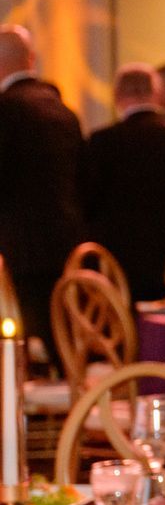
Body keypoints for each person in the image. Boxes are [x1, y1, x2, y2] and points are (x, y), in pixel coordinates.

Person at [82, 65, 165, 301]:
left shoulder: (103, 142)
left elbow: (88, 200)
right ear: (157, 95)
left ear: (117, 97)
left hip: (115, 260)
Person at [0, 25, 85, 344]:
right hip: (65, 239)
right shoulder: (62, 109)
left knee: (24, 340)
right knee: (59, 336)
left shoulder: (6, 109)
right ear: (31, 59)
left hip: (18, 246)